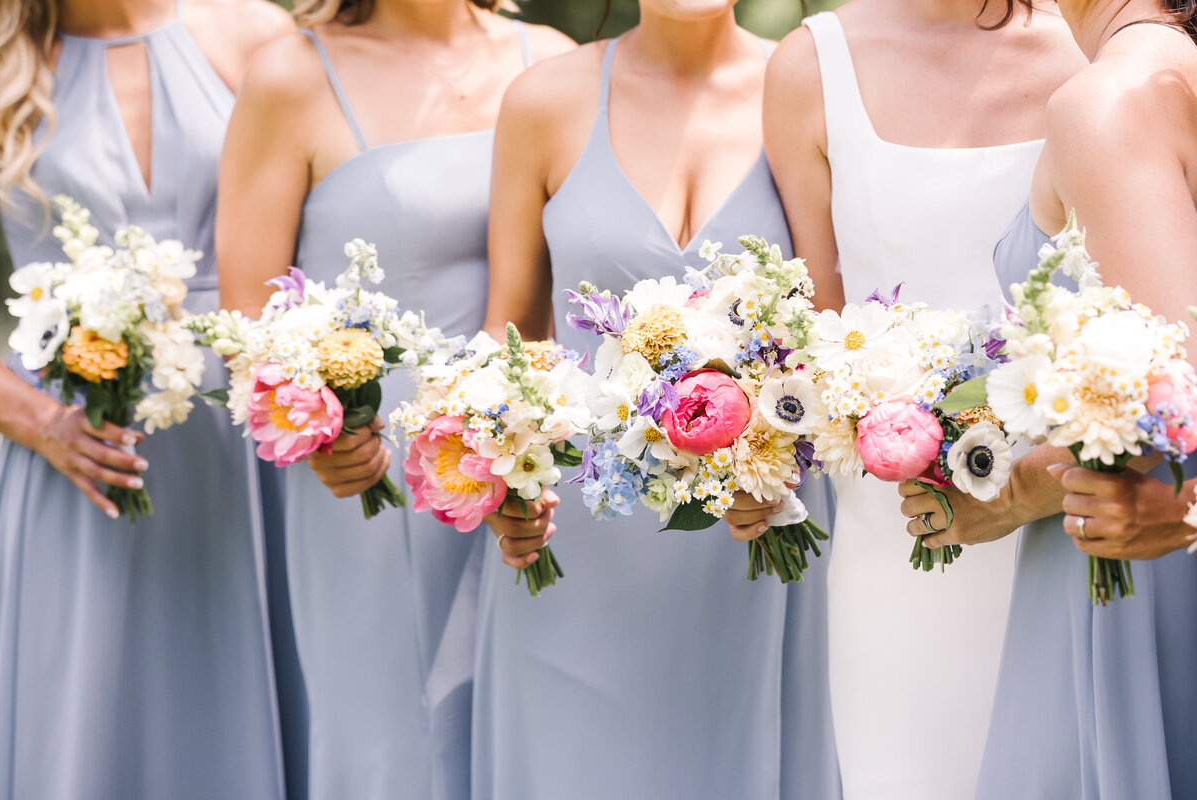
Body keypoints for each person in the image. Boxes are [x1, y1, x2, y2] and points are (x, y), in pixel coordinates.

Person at [476, 2, 839, 798]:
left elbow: (831, 329)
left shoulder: (811, 90)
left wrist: (775, 470)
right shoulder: (543, 100)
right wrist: (505, 479)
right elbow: (508, 338)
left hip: (758, 529)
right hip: (578, 544)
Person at [215, 2, 571, 798]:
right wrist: (321, 435)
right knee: (389, 740)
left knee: (532, 727)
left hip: (531, 462)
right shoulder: (291, 77)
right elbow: (244, 317)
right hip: (368, 477)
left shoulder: (548, 59)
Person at [748, 1, 1084, 797]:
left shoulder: (1096, 47)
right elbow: (816, 340)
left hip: (1067, 512)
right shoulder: (808, 67)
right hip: (899, 532)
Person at [896, 0, 1197, 795]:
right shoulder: (1166, 74)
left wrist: (1013, 488)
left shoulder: (1108, 102)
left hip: (1137, 585)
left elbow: (1174, 429)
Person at [0, 1, 293, 798]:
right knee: (88, 720)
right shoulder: (5, 61)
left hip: (250, 450)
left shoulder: (255, 33)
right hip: (79, 455)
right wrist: (39, 421)